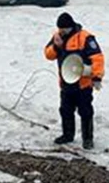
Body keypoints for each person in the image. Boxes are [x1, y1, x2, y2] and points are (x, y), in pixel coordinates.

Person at [44, 12, 104, 149]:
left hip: (83, 84)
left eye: (64, 29)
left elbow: (97, 57)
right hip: (66, 83)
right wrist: (56, 46)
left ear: (70, 26)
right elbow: (48, 54)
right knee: (65, 110)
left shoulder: (85, 37)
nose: (61, 31)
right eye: (60, 28)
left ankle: (87, 139)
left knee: (85, 112)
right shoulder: (57, 37)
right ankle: (68, 135)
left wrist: (97, 76)